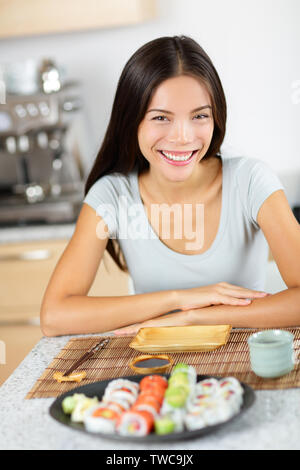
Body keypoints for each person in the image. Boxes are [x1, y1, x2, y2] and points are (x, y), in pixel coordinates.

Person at [40, 36, 300, 337]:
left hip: (240, 363)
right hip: (151, 371)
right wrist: (179, 299)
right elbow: (54, 316)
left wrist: (194, 318)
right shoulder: (112, 194)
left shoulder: (251, 180)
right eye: (161, 118)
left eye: (200, 116)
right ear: (131, 121)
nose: (182, 137)